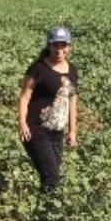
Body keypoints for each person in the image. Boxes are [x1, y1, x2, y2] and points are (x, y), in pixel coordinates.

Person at [17, 26, 79, 192]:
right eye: (55, 45)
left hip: (56, 131)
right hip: (35, 130)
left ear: (69, 46)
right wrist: (22, 123)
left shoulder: (72, 70)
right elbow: (24, 97)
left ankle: (43, 207)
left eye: (63, 45)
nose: (59, 50)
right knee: (52, 178)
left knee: (51, 175)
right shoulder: (38, 68)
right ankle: (45, 214)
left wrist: (72, 131)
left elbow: (72, 100)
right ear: (49, 46)